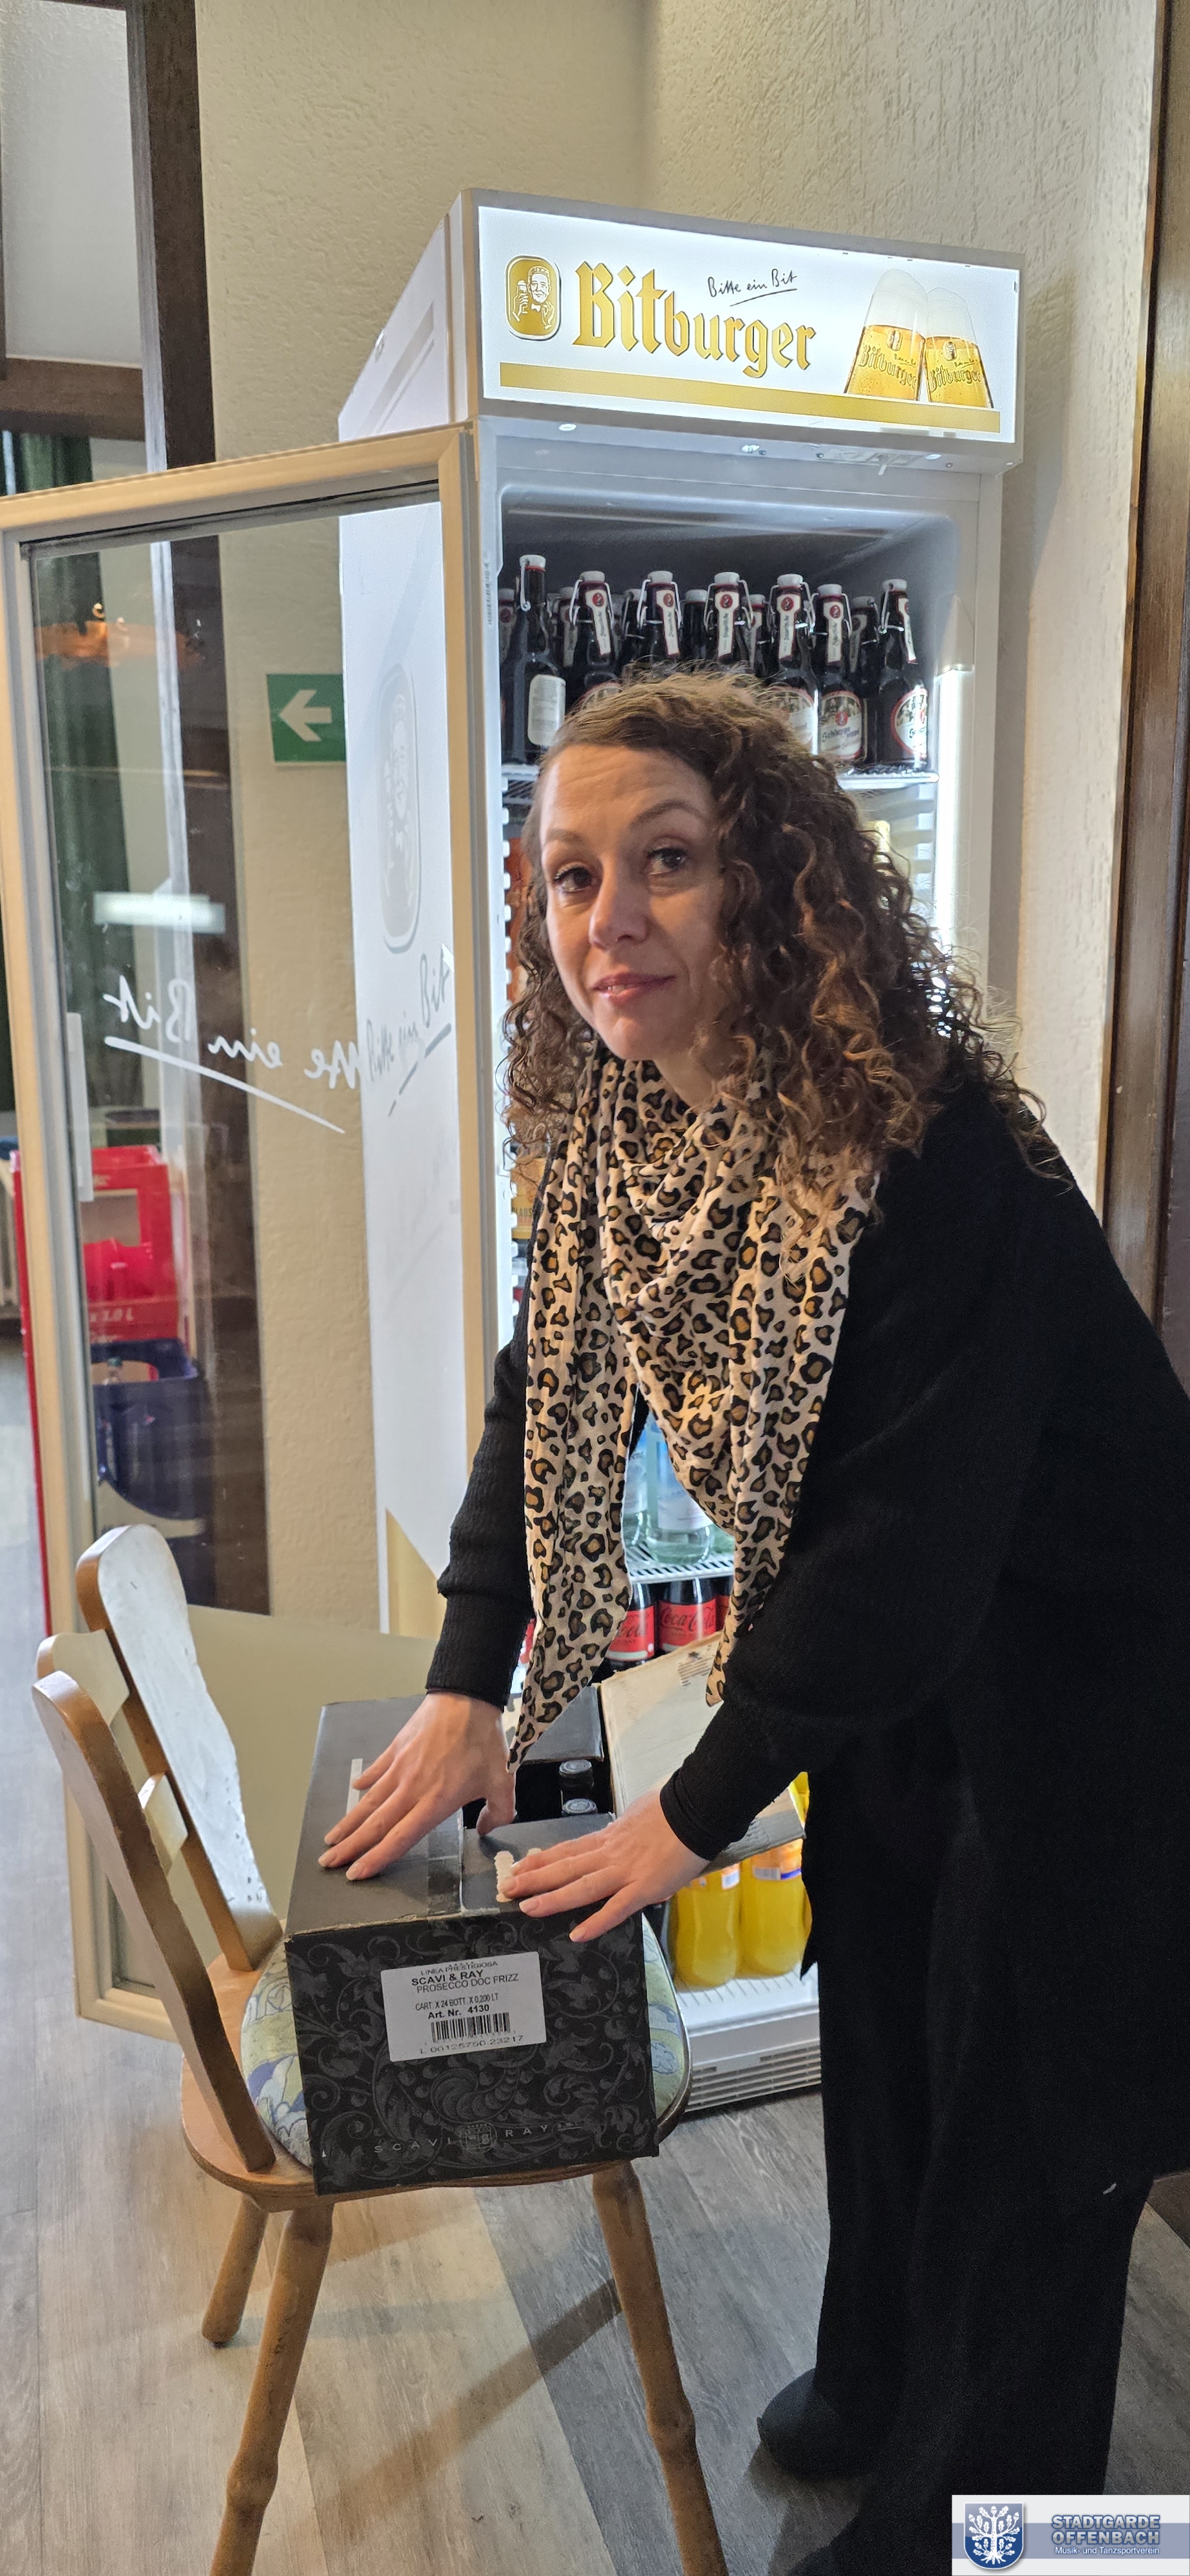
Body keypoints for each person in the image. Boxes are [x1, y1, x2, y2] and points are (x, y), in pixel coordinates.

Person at [321, 669, 1190, 2575]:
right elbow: (542, 1399)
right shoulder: (620, 1136)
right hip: (907, 1679)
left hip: (1098, 1688)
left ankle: (999, 2524)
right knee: (880, 2024)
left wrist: (689, 1813)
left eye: (668, 862)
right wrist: (471, 1680)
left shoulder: (934, 1151)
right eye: (570, 877)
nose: (608, 920)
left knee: (1026, 2114)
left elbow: (899, 1547)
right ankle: (878, 2377)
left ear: (778, 883)